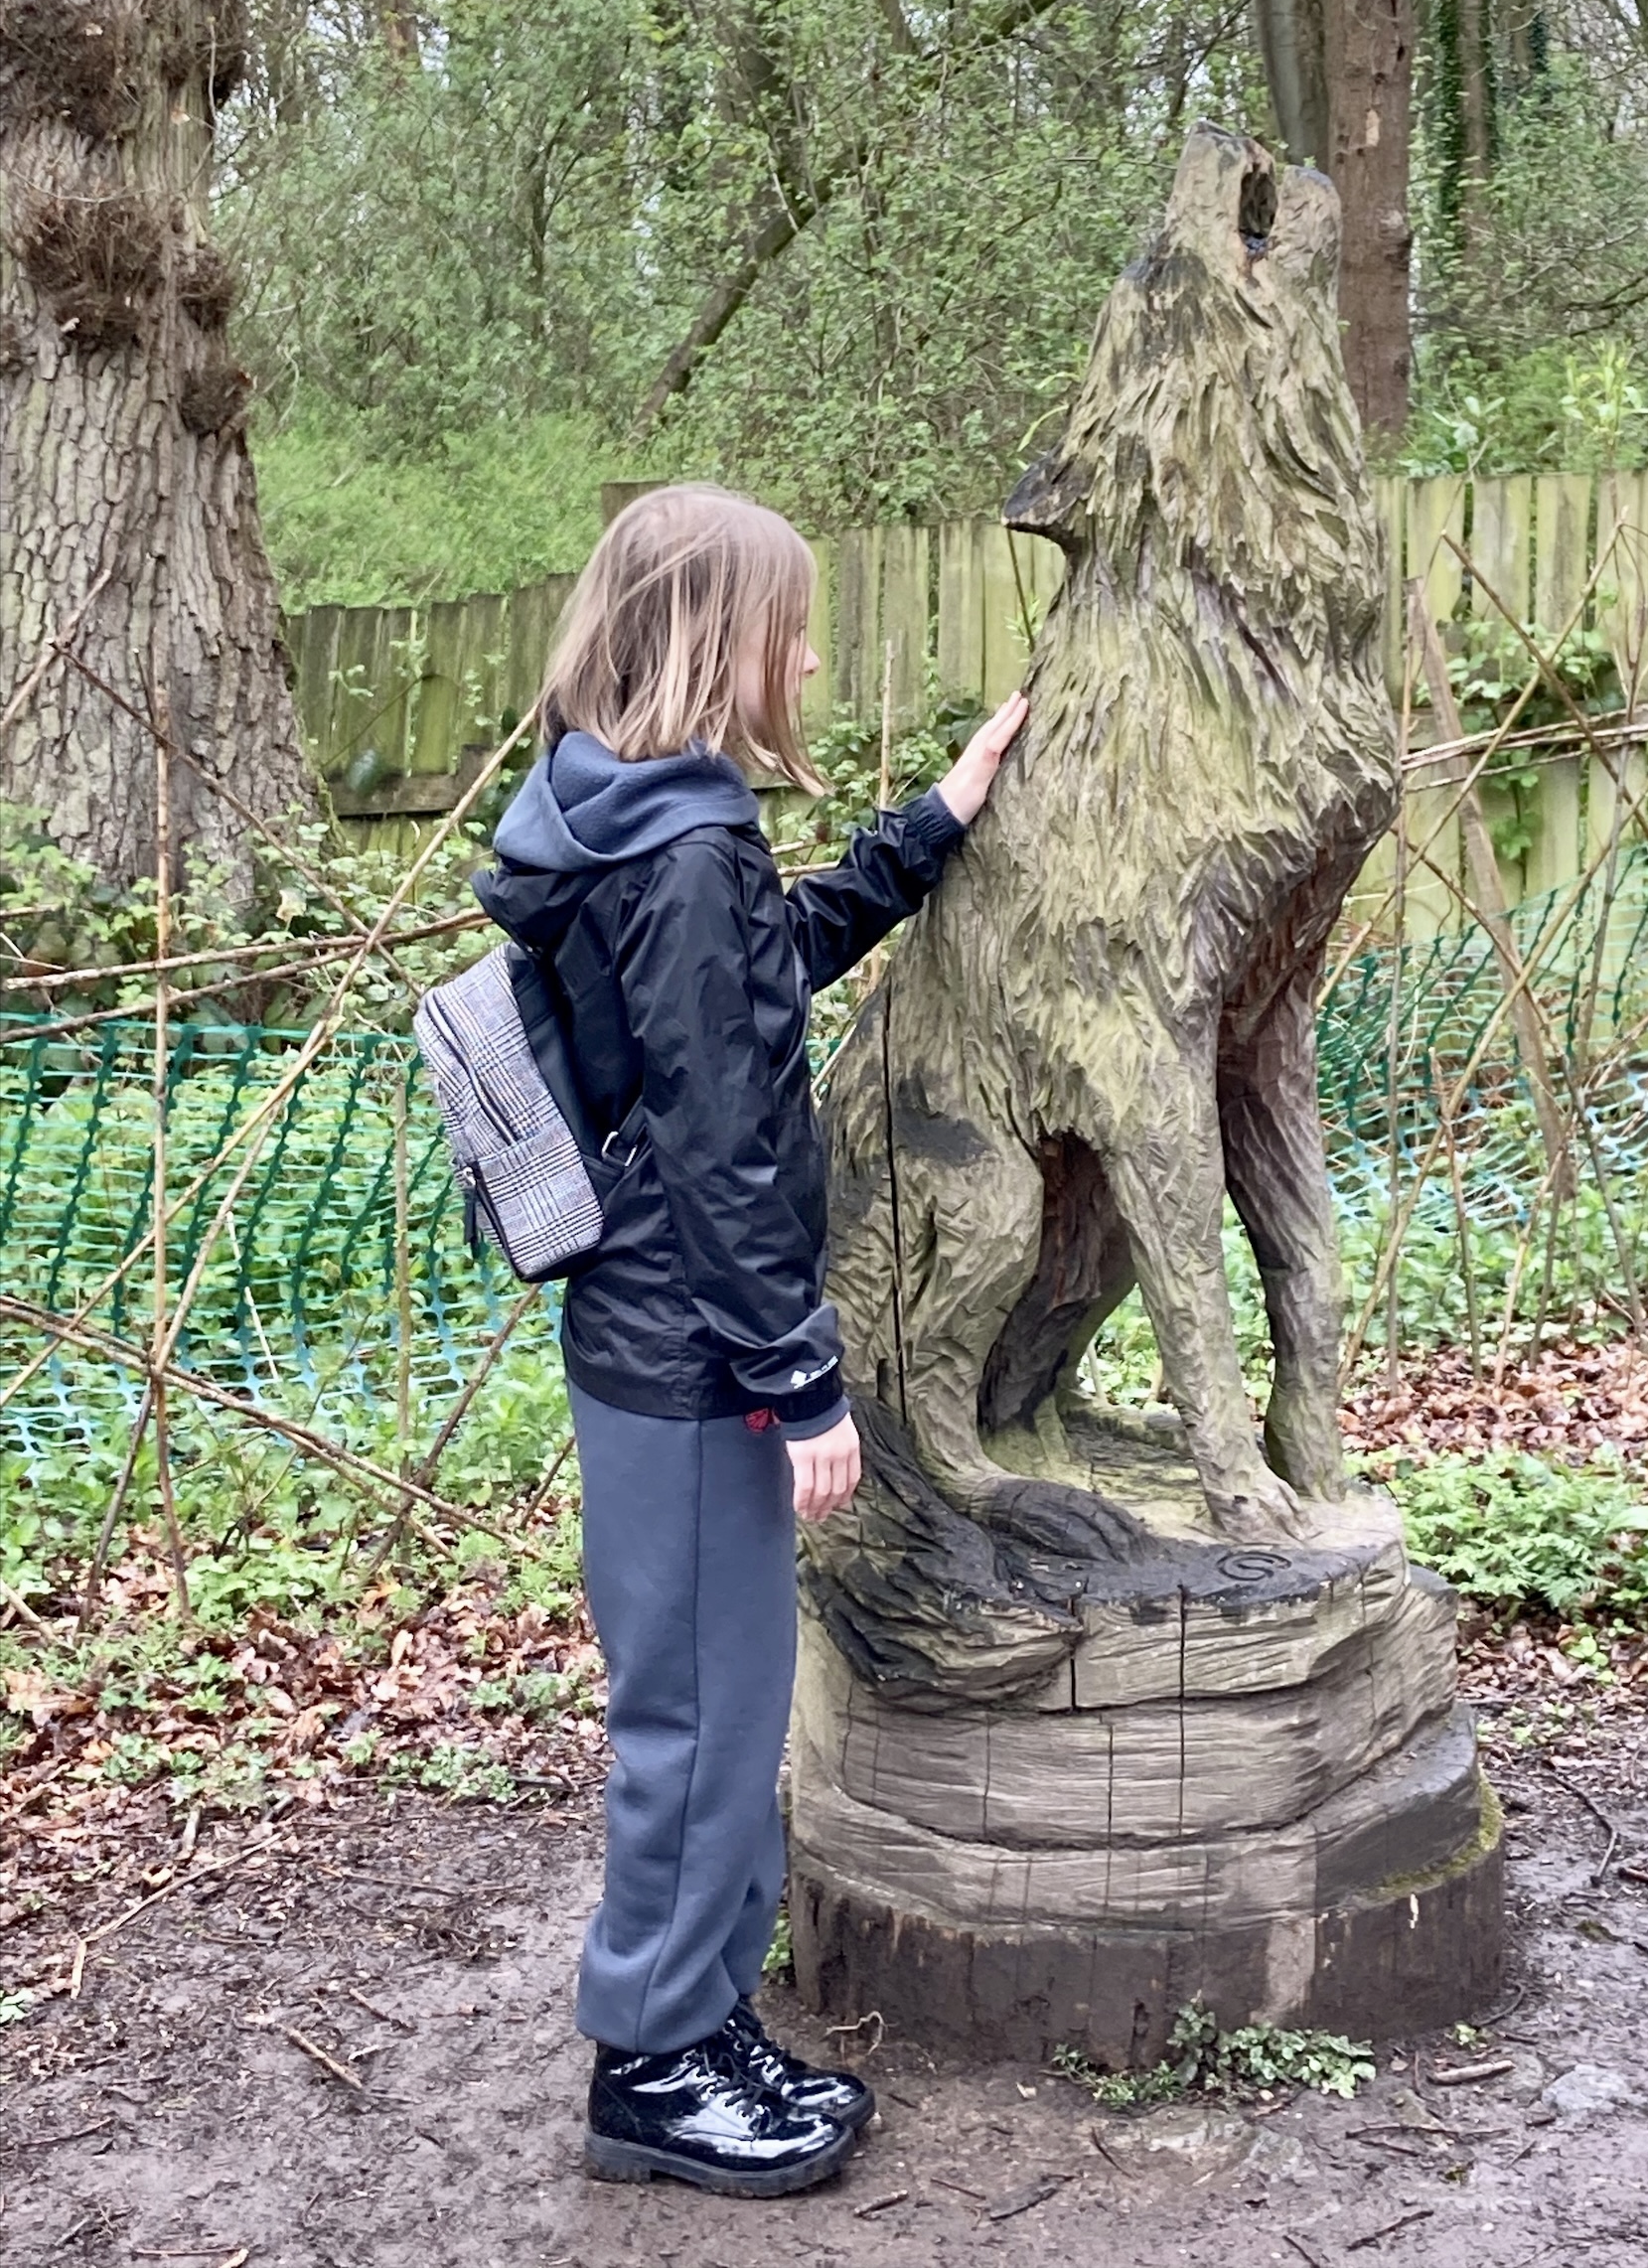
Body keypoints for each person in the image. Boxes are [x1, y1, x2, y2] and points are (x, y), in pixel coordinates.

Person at [476, 483, 1027, 2197]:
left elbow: (753, 980)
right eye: (788, 623)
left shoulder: (614, 818)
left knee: (697, 1705)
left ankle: (692, 2024)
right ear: (719, 641)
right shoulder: (686, 844)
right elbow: (722, 1136)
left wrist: (925, 827)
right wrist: (798, 1378)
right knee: (707, 1720)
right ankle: (653, 2065)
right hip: (692, 1355)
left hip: (637, 1339)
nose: (807, 651)